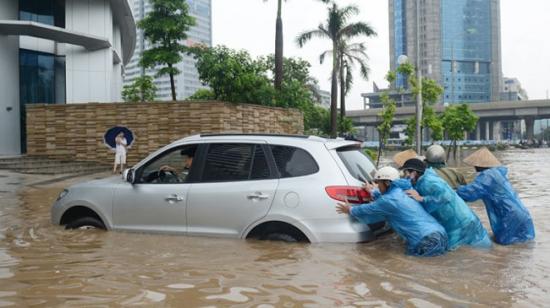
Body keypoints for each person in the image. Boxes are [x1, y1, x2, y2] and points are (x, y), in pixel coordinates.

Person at [336, 166, 448, 257]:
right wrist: (372, 191)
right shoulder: (401, 191)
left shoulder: (388, 200)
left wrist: (350, 209)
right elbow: (388, 198)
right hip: (440, 233)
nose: (377, 186)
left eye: (379, 183)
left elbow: (368, 209)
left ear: (387, 183)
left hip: (425, 240)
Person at [401, 158, 492, 250]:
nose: (405, 176)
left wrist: (422, 198)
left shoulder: (429, 182)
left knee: (456, 254)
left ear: (414, 172)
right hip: (462, 220)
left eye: (406, 172)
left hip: (460, 223)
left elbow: (446, 196)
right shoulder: (422, 180)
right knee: (477, 248)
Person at [457, 147, 535, 245]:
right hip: (522, 216)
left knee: (504, 251)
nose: (474, 167)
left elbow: (470, 193)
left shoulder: (487, 176)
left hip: (509, 217)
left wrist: (455, 189)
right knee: (520, 249)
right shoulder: (497, 174)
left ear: (479, 165)